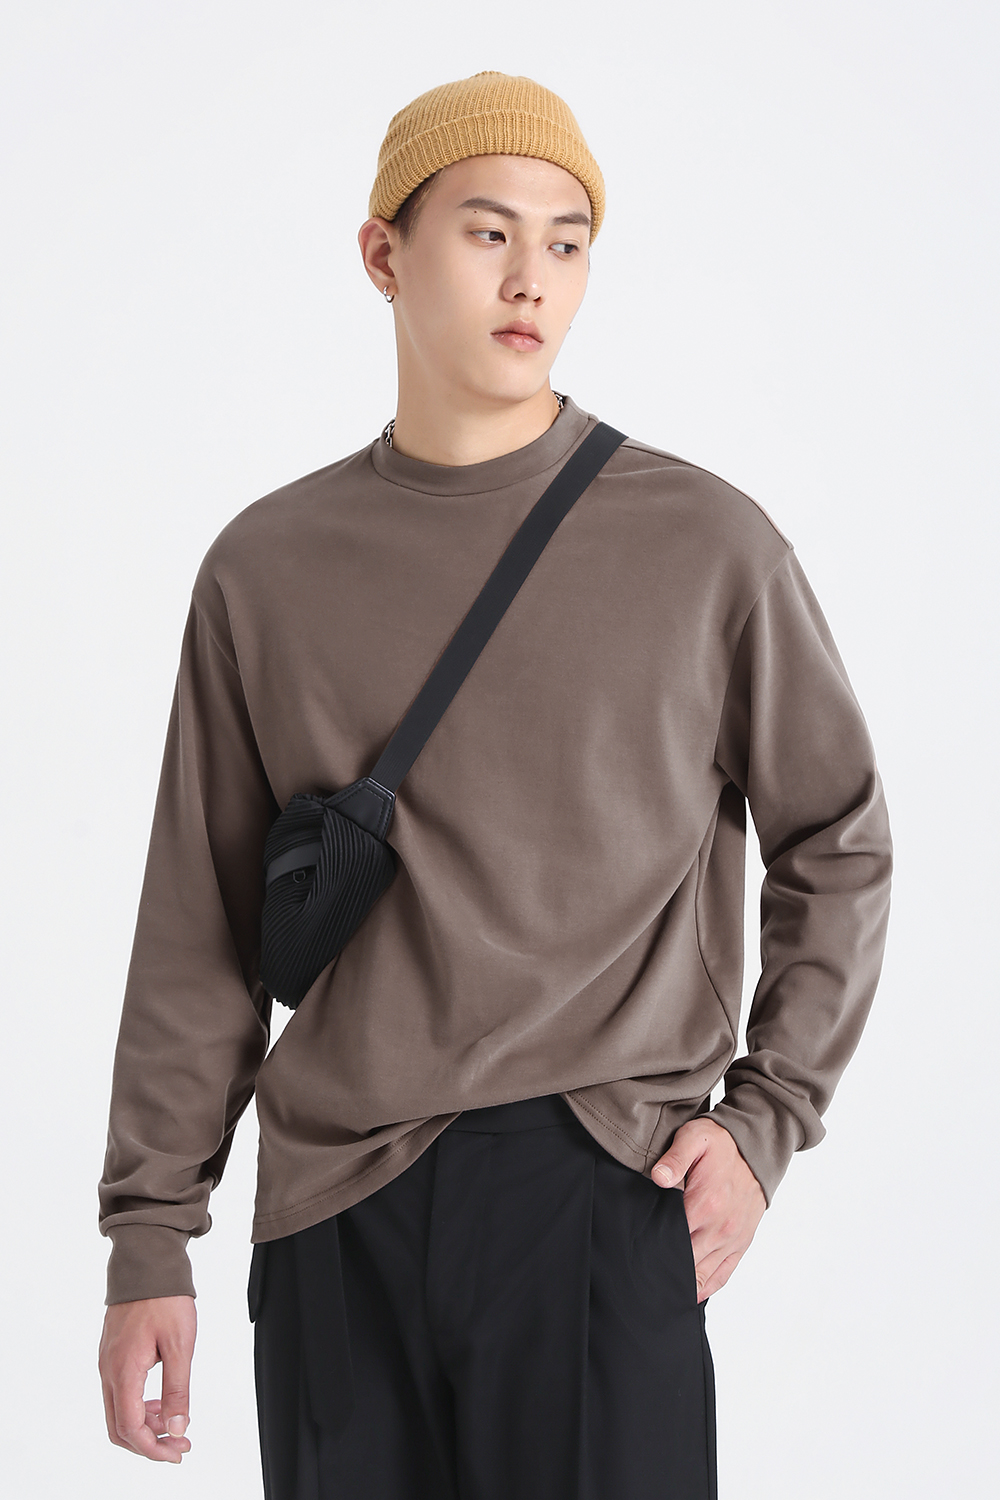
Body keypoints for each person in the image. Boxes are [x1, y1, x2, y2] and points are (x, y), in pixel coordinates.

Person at [97, 71, 892, 1499]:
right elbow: (200, 924)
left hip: (599, 1186)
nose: (533, 278)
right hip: (334, 1214)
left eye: (567, 242)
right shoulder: (265, 570)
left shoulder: (705, 546)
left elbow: (838, 840)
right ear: (382, 253)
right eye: (488, 233)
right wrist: (151, 1237)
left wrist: (762, 1124)